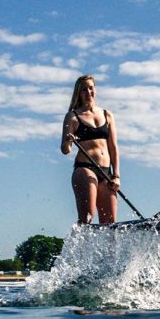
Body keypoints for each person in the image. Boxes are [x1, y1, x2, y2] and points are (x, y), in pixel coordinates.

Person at [60, 75, 121, 224]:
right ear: (79, 93)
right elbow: (65, 150)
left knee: (110, 223)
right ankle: (80, 239)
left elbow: (113, 147)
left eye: (91, 88)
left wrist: (116, 175)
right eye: (84, 89)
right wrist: (69, 141)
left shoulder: (107, 115)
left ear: (95, 89)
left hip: (106, 172)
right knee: (88, 216)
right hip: (85, 168)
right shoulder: (72, 116)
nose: (88, 92)